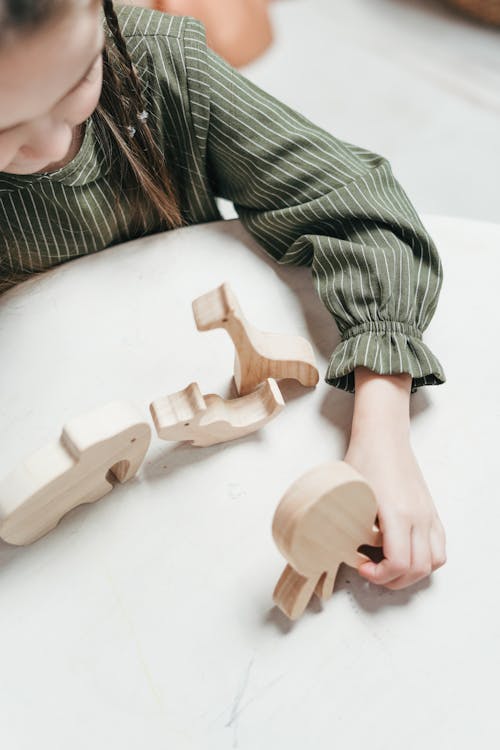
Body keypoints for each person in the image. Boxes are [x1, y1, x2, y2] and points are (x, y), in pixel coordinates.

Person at [0, 0, 447, 590]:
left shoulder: (162, 65)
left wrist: (382, 431)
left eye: (80, 79)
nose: (54, 143)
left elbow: (362, 212)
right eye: (5, 130)